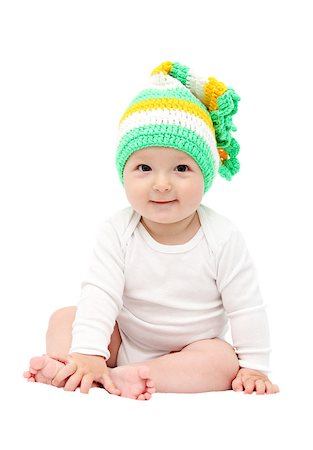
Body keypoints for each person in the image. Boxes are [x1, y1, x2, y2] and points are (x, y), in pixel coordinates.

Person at [23, 61, 279, 400]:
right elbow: (101, 292)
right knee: (65, 317)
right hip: (125, 339)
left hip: (192, 349)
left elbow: (245, 306)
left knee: (222, 361)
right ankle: (75, 365)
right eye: (144, 167)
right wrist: (89, 349)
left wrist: (255, 366)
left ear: (206, 175)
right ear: (123, 173)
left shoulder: (222, 237)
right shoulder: (118, 231)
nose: (161, 184)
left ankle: (129, 376)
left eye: (181, 168)